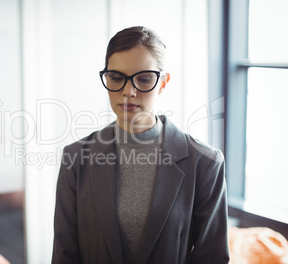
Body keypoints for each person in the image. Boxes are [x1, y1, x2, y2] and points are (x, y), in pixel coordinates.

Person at [52, 26, 229, 263]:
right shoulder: (75, 158)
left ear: (163, 82)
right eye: (116, 78)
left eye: (144, 79)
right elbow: (64, 255)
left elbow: (212, 258)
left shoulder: (205, 163)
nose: (128, 91)